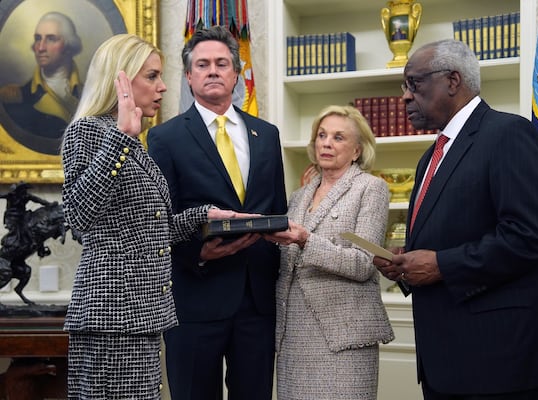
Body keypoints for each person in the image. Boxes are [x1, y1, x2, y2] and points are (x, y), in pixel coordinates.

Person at [373, 38, 538, 399]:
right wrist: (406, 262)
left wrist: (441, 266)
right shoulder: (430, 157)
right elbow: (452, 235)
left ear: (452, 81)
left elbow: (535, 234)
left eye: (414, 83)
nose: (404, 96)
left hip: (503, 359)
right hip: (446, 361)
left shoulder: (507, 133)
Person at [61, 33, 245, 399]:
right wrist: (121, 138)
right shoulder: (89, 131)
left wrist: (200, 215)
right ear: (122, 80)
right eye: (152, 76)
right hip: (110, 317)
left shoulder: (134, 143)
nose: (162, 87)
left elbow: (147, 230)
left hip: (143, 315)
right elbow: (78, 214)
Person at [147, 25, 287, 399]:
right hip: (194, 297)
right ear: (189, 76)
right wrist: (198, 253)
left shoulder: (267, 134)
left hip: (256, 301)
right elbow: (159, 220)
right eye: (203, 64)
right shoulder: (164, 137)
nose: (213, 71)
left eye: (222, 63)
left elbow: (277, 207)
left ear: (236, 74)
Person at [264, 104, 394, 400]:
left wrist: (307, 240)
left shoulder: (371, 188)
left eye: (338, 137)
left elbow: (364, 264)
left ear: (357, 150)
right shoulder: (299, 196)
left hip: (343, 337)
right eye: (322, 135)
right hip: (293, 335)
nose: (326, 142)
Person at [0, 12, 83, 154]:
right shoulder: (13, 99)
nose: (40, 47)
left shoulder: (90, 94)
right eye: (38, 39)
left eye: (51, 39)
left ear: (68, 45)